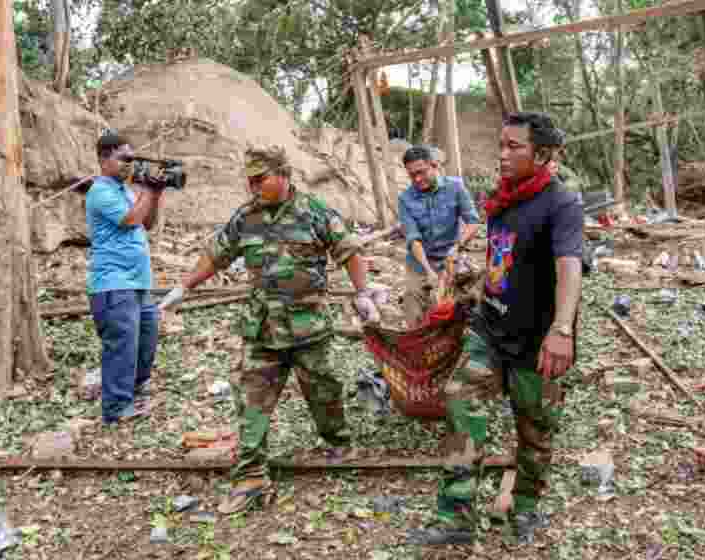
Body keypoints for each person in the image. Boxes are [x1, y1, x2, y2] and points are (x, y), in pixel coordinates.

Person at [158, 146, 380, 515]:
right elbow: (217, 253)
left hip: (309, 327)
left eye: (260, 178)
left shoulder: (315, 212)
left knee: (324, 391)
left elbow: (349, 251)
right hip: (262, 328)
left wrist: (363, 292)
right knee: (251, 399)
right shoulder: (246, 217)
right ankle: (251, 476)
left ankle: (340, 445)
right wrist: (184, 287)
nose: (253, 185)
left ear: (283, 175)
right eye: (249, 179)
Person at [408, 112, 583, 546]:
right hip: (491, 330)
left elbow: (569, 266)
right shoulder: (502, 199)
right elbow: (502, 261)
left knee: (535, 428)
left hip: (537, 340)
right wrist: (471, 295)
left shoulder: (561, 203)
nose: (502, 154)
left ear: (542, 155)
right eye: (501, 144)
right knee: (460, 403)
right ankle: (456, 516)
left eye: (514, 147)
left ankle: (525, 506)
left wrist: (562, 329)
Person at [87, 130, 165, 426]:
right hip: (113, 283)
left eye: (132, 159)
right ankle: (116, 407)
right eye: (124, 159)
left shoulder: (125, 191)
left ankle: (134, 392)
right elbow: (129, 220)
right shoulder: (100, 191)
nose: (129, 165)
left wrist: (155, 193)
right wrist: (146, 188)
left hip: (138, 282)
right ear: (104, 159)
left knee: (146, 340)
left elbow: (148, 222)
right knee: (121, 345)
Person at [397, 145, 482, 327]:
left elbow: (473, 221)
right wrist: (428, 270)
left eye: (421, 172)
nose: (417, 179)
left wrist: (457, 248)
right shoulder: (405, 199)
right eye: (412, 175)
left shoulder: (455, 187)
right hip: (419, 263)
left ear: (434, 165)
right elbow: (413, 238)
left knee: (468, 302)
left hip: (452, 257)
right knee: (413, 303)